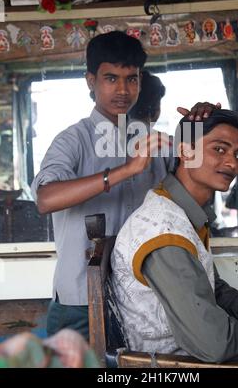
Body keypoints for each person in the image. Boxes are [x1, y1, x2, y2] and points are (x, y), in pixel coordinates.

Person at [31, 30, 219, 340]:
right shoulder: (73, 140)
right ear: (90, 81)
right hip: (79, 302)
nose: (122, 89)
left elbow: (199, 189)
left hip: (141, 300)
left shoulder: (154, 142)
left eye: (131, 79)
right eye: (111, 78)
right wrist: (126, 170)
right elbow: (45, 199)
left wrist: (204, 127)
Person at [111, 109, 238, 362]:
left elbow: (209, 286)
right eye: (219, 149)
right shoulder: (164, 231)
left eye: (237, 154)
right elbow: (214, 343)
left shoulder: (181, 214)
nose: (232, 163)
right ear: (184, 152)